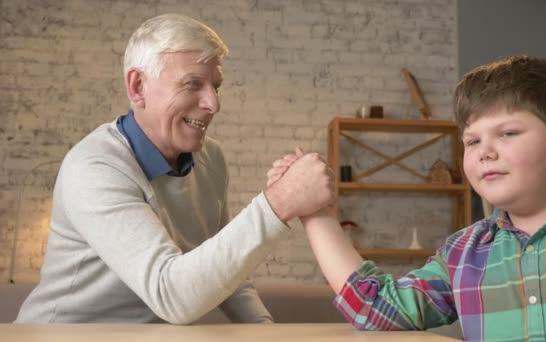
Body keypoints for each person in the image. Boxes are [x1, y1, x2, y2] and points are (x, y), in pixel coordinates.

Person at [15, 14, 335, 324]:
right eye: (193, 84)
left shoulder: (211, 159)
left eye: (216, 86)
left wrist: (264, 332)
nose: (213, 103)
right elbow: (171, 296)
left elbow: (229, 273)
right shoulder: (94, 168)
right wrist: (280, 201)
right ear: (138, 86)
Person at [268, 55, 546, 341]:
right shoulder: (463, 254)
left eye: (507, 133)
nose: (485, 152)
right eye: (472, 141)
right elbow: (375, 309)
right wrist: (314, 212)